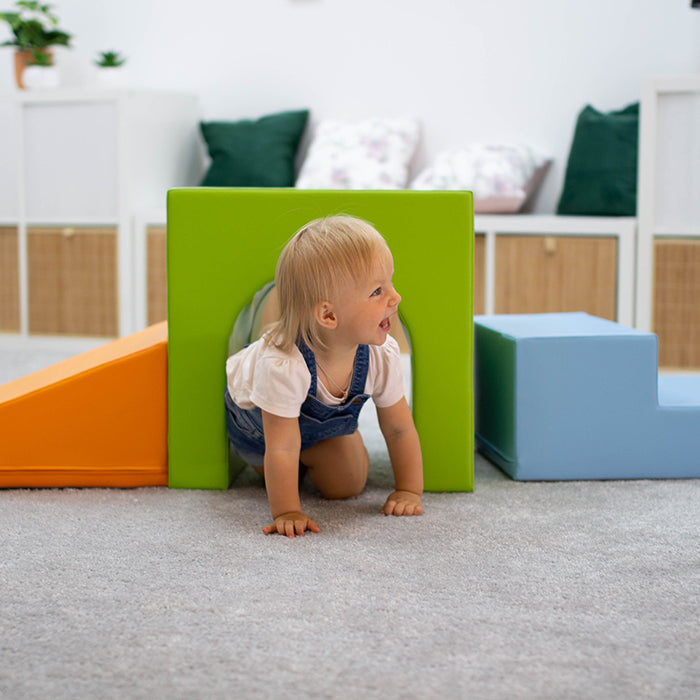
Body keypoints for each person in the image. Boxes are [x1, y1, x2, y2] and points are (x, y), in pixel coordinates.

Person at [225, 215, 423, 538]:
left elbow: (400, 427)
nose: (395, 297)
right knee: (281, 462)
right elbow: (281, 448)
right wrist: (288, 511)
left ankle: (311, 454)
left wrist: (409, 491)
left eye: (390, 283)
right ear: (329, 315)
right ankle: (270, 318)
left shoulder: (380, 353)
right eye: (377, 291)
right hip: (259, 423)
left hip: (314, 421)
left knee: (348, 483)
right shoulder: (283, 365)